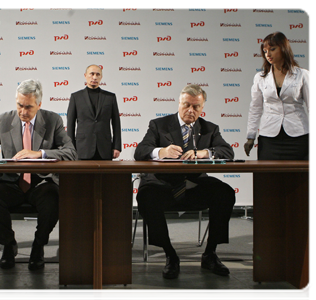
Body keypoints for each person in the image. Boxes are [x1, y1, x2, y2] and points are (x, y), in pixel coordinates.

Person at [0, 79, 77, 270]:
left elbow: (71, 152)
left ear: (39, 105)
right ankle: (8, 245)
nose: (23, 112)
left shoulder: (53, 121)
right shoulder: (3, 120)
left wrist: (40, 154)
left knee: (54, 199)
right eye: (20, 105)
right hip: (10, 182)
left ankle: (38, 246)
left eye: (29, 107)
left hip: (41, 182)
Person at [134, 84, 236, 279]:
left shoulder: (209, 129)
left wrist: (205, 152)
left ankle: (210, 254)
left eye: (196, 107)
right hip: (162, 185)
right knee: (146, 197)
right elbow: (140, 151)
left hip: (193, 185)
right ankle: (170, 255)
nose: (190, 110)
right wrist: (161, 152)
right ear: (179, 103)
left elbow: (228, 152)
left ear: (202, 107)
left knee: (225, 193)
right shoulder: (159, 125)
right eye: (186, 105)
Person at [244, 31, 313, 160]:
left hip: (299, 136)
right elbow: (255, 108)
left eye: (272, 49)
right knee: (268, 179)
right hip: (269, 137)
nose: (268, 54)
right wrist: (250, 136)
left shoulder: (303, 74)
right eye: (265, 51)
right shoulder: (260, 77)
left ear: (284, 49)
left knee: (299, 179)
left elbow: (312, 107)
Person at [67, 64, 121, 160]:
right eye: (91, 74)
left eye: (98, 74)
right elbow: (70, 124)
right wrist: (70, 148)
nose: (94, 77)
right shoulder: (76, 97)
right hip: (82, 148)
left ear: (101, 77)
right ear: (85, 75)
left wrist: (117, 146)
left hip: (105, 148)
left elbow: (116, 123)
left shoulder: (110, 97)